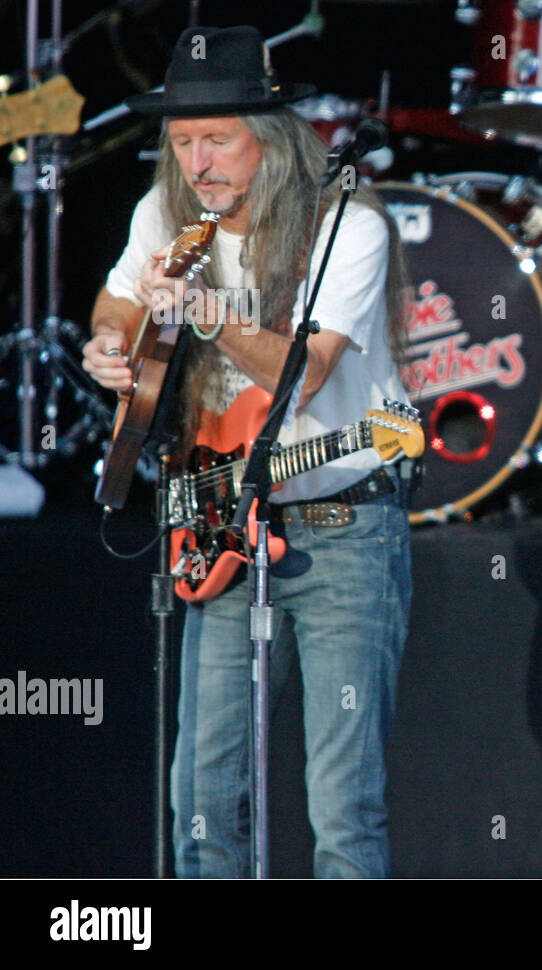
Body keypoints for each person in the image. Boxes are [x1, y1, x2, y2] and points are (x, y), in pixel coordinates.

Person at [81, 26, 412, 877]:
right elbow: (115, 301)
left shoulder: (347, 223)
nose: (198, 161)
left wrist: (201, 312)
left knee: (343, 807)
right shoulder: (165, 213)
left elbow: (301, 373)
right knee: (199, 799)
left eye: (217, 139)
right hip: (222, 513)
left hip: (342, 522)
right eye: (183, 142)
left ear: (269, 138)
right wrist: (109, 345)